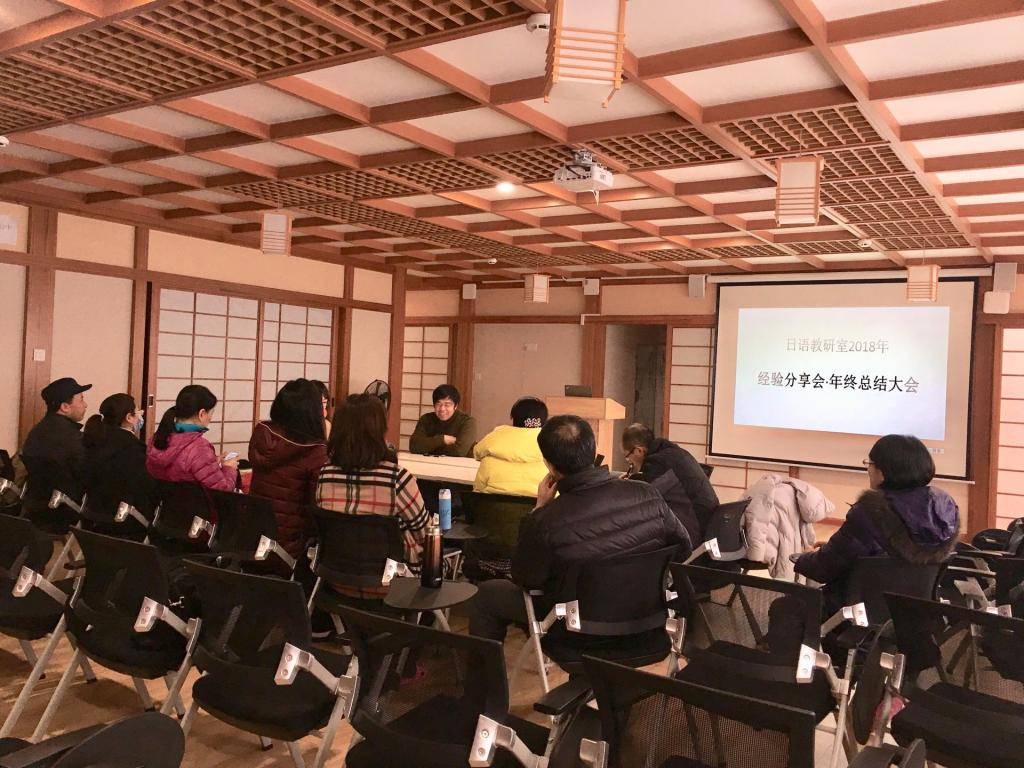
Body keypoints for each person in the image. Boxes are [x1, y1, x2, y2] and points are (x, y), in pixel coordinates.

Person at [469, 415, 691, 642]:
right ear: (594, 452)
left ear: (549, 465)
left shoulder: (546, 520)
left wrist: (538, 509)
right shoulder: (647, 494)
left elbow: (524, 577)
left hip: (577, 635)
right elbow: (683, 547)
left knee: (487, 595)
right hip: (646, 628)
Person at [794, 434, 960, 613]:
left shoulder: (869, 513)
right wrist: (833, 547)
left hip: (856, 612)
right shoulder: (944, 509)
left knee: (785, 607)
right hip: (916, 612)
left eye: (870, 464)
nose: (868, 469)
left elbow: (824, 568)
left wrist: (804, 557)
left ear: (882, 472)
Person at [316, 394, 429, 598]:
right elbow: (426, 535)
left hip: (336, 582)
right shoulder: (397, 478)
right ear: (379, 431)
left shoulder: (325, 474)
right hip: (392, 588)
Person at [249, 379, 328, 559]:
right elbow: (317, 512)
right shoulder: (315, 451)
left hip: (253, 541)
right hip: (290, 551)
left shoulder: (263, 433)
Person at [621, 423, 719, 546]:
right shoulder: (674, 453)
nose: (629, 461)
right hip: (708, 526)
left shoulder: (658, 463)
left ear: (638, 450)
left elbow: (643, 499)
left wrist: (623, 486)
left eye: (627, 456)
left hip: (694, 534)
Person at [146, 385, 238, 491]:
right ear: (202, 414)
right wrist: (229, 468)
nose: (211, 418)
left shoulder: (157, 439)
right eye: (211, 413)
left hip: (163, 501)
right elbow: (223, 490)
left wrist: (213, 462)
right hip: (193, 502)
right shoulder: (200, 448)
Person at [82, 393, 154, 520]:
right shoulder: (135, 448)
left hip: (93, 515)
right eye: (138, 411)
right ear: (129, 417)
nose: (141, 415)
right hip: (125, 519)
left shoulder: (94, 441)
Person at [21, 377, 91, 497]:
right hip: (65, 503)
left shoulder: (37, 431)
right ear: (65, 407)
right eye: (81, 400)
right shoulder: (72, 437)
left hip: (35, 501)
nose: (85, 405)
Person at [472, 396, 548, 497]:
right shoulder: (549, 441)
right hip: (538, 504)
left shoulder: (498, 434)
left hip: (490, 503)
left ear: (513, 418)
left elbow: (477, 452)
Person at [409, 384, 477, 458]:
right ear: (434, 405)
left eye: (447, 405)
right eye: (439, 404)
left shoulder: (468, 422)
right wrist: (443, 439)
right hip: (431, 462)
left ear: (456, 406)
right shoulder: (426, 419)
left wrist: (429, 448)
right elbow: (414, 446)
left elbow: (459, 451)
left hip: (460, 464)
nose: (442, 409)